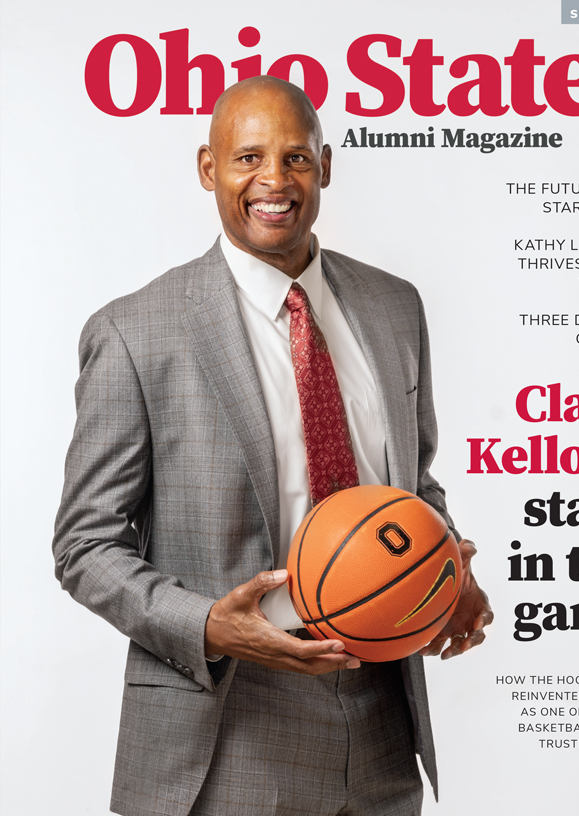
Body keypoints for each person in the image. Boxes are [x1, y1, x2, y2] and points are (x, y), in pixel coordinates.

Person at [53, 76, 493, 816]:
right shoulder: (136, 331)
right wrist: (205, 624)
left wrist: (444, 568)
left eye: (295, 158)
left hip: (383, 708)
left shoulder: (393, 306)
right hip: (227, 717)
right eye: (247, 157)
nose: (273, 181)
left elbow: (411, 486)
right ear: (207, 169)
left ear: (325, 166)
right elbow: (85, 545)